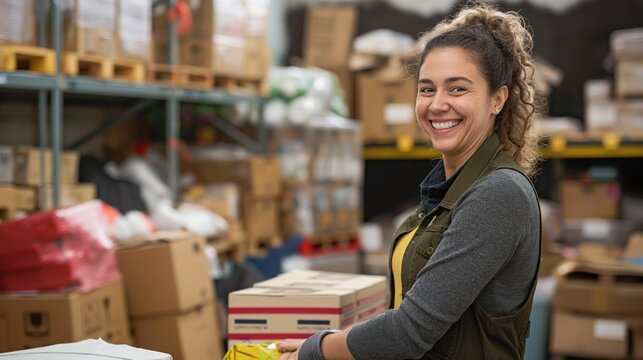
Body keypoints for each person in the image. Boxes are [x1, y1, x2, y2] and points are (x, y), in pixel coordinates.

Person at [279, 2, 541, 359]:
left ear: (497, 99)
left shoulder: (497, 194)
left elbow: (410, 331)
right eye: (427, 89)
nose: (437, 104)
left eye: (458, 89)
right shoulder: (449, 192)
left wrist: (315, 350)